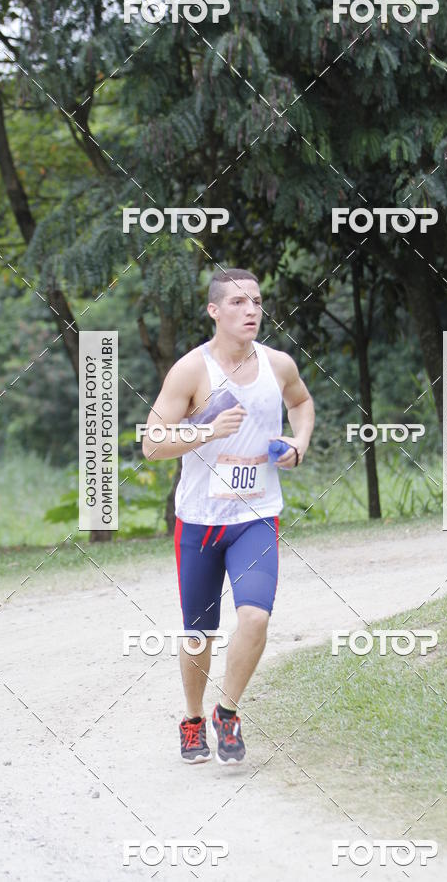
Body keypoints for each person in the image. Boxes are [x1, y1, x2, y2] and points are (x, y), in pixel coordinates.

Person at [141, 268, 315, 765]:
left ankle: (228, 712)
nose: (252, 311)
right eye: (238, 302)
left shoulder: (277, 364)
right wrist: (209, 432)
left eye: (257, 302)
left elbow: (301, 404)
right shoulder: (191, 371)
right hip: (199, 520)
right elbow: (152, 445)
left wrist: (298, 444)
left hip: (257, 515)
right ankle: (192, 719)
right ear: (214, 311)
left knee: (255, 617)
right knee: (199, 632)